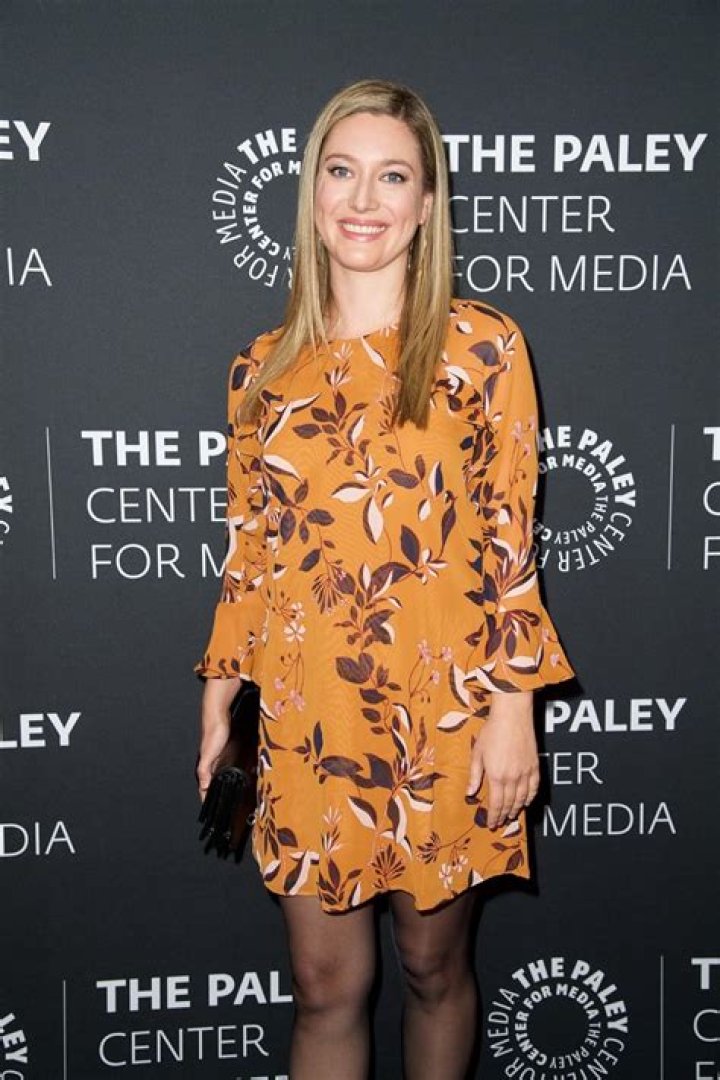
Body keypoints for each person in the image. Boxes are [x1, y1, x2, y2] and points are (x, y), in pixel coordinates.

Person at [196, 78, 575, 1080]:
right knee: (323, 988)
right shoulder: (259, 372)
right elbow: (250, 554)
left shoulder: (483, 348)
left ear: (426, 203)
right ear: (312, 192)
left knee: (431, 968)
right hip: (306, 714)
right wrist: (219, 698)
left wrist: (512, 711)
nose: (363, 199)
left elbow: (510, 545)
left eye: (393, 176)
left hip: (444, 719)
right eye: (342, 171)